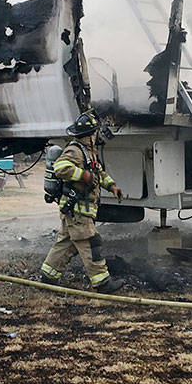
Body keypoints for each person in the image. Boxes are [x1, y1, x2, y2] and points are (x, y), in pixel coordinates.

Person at [40, 110, 125, 292]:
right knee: (90, 243)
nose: (97, 135)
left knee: (66, 244)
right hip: (78, 210)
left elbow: (99, 172)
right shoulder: (76, 150)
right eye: (95, 132)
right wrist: (83, 175)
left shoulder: (89, 152)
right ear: (90, 135)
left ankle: (48, 276)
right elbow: (60, 167)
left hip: (76, 211)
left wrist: (112, 186)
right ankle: (102, 283)